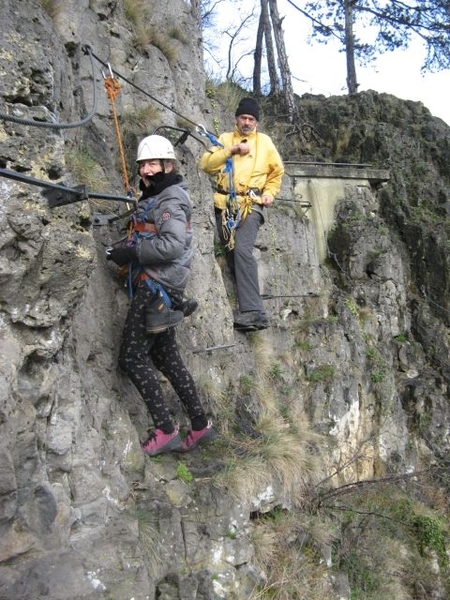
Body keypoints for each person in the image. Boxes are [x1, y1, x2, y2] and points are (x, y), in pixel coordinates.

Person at [106, 134, 215, 456]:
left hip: (156, 287)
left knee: (131, 357)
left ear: (169, 165)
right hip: (164, 289)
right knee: (165, 357)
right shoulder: (161, 197)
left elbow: (171, 245)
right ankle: (199, 424)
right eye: (142, 165)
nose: (146, 171)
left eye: (153, 164)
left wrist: (130, 251)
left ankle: (166, 430)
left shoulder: (170, 200)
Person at [199, 97, 284, 332]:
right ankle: (249, 307)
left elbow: (276, 174)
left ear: (256, 122)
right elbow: (207, 164)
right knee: (231, 253)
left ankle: (253, 312)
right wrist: (232, 150)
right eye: (243, 118)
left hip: (252, 204)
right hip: (224, 204)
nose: (247, 122)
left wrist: (269, 194)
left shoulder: (265, 143)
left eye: (251, 119)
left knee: (242, 249)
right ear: (237, 118)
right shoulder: (225, 139)